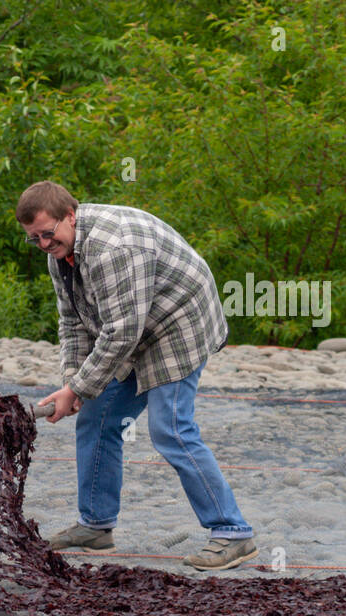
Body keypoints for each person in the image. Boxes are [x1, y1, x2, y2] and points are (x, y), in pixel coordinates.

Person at [15, 181, 257, 570]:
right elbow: (73, 322)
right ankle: (95, 526)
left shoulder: (113, 249)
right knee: (96, 418)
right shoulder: (59, 253)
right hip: (133, 325)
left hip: (178, 323)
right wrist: (72, 382)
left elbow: (122, 332)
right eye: (34, 239)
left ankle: (233, 533)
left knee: (171, 429)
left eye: (48, 233)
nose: (43, 244)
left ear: (70, 216)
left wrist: (79, 387)